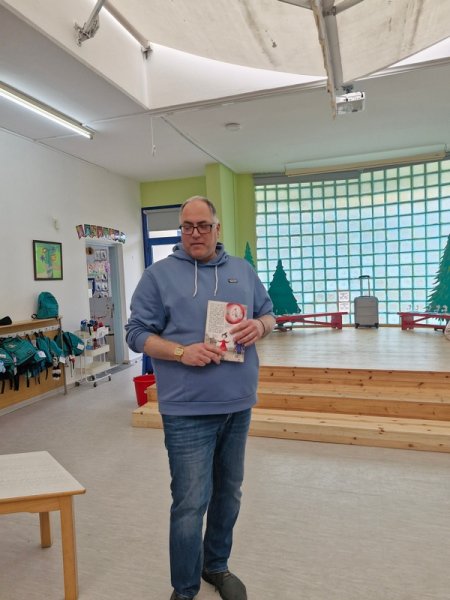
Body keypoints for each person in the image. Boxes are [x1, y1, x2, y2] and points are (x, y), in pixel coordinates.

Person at [125, 196, 275, 600]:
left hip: (237, 404)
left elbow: (269, 313)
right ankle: (185, 588)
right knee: (190, 503)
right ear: (181, 229)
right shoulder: (158, 276)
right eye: (187, 226)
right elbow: (136, 333)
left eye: (203, 225)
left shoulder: (242, 271)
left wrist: (260, 326)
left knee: (229, 493)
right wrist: (180, 352)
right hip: (187, 410)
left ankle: (217, 566)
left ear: (216, 228)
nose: (195, 233)